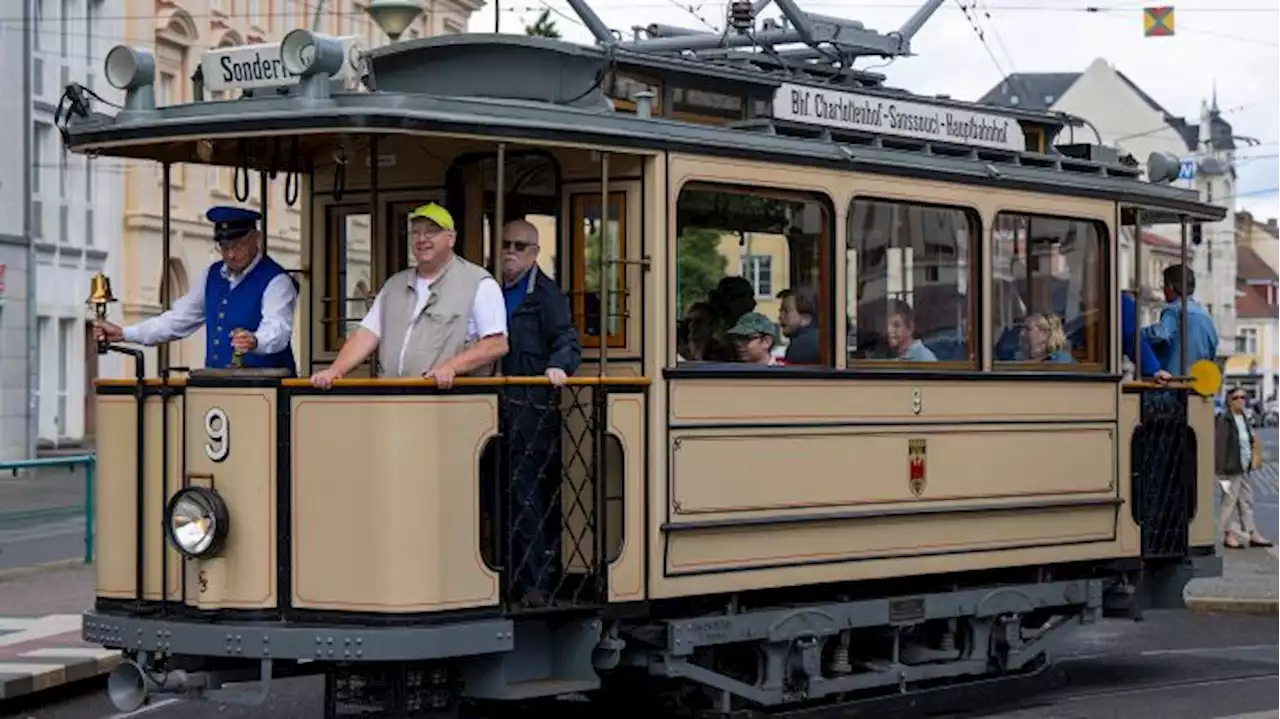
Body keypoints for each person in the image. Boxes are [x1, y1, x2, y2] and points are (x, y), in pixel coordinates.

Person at [309, 203, 508, 389]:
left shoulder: (479, 283)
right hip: (394, 398)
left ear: (451, 238)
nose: (422, 239)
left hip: (448, 401)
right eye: (415, 232)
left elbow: (496, 344)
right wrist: (336, 370)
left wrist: (451, 368)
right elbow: (366, 335)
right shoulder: (394, 285)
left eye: (431, 231)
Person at [93, 205, 299, 375]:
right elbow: (179, 320)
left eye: (238, 246)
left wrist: (256, 341)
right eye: (224, 247)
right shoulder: (212, 275)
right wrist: (125, 333)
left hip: (266, 390)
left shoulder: (276, 280)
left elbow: (278, 328)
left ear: (256, 239)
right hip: (217, 384)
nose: (231, 255)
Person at [493, 219, 582, 605]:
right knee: (497, 494)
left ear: (534, 253)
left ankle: (535, 584)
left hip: (529, 411)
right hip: (490, 407)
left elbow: (567, 339)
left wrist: (559, 367)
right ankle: (502, 575)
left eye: (519, 246)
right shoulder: (488, 290)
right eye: (505, 244)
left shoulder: (546, 295)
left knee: (527, 496)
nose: (510, 252)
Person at [1215, 386, 1272, 549]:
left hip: (1243, 466)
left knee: (1246, 501)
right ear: (1229, 401)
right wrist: (1220, 470)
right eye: (1237, 398)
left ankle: (1252, 532)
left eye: (1243, 397)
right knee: (1229, 502)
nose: (1241, 401)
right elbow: (1219, 445)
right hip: (1230, 468)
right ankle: (1227, 534)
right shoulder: (1224, 419)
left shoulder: (1244, 418)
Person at [1142, 264, 1219, 376]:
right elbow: (1213, 346)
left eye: (1164, 285)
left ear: (1171, 286)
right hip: (1197, 382)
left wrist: (1138, 334)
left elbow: (1160, 334)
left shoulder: (1175, 311)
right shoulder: (1205, 315)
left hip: (1172, 383)